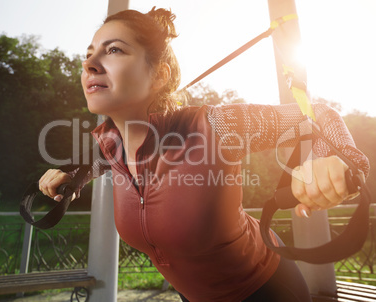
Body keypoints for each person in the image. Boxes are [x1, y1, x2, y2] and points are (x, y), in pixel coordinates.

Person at [38, 7, 369, 302]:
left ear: (160, 75)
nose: (90, 63)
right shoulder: (112, 144)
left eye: (114, 50)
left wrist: (334, 160)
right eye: (89, 53)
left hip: (266, 290)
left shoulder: (215, 125)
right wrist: (73, 176)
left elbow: (320, 117)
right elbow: (100, 161)